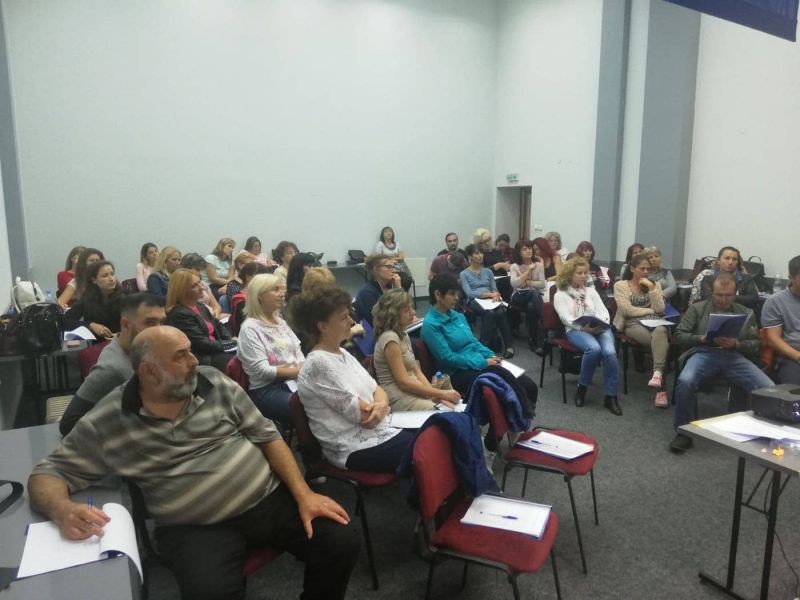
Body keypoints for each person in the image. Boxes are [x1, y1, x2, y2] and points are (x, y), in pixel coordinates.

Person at [28, 326, 358, 600]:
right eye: (181, 355)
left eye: (191, 351)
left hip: (267, 500)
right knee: (209, 593)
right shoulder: (111, 419)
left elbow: (268, 436)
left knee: (340, 541)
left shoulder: (213, 383)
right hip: (196, 527)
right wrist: (61, 510)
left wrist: (304, 494)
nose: (194, 361)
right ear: (149, 371)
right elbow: (48, 472)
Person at [291, 286, 416, 472]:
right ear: (322, 326)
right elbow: (366, 417)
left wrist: (381, 405)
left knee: (436, 435)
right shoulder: (318, 364)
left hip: (380, 428)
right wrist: (383, 406)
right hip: (351, 446)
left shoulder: (342, 353)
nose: (351, 321)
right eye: (343, 318)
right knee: (428, 446)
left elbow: (377, 389)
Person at [670, 274, 774, 452]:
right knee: (686, 380)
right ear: (712, 293)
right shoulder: (698, 309)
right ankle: (683, 432)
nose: (724, 299)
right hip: (704, 352)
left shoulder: (746, 312)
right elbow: (678, 336)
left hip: (734, 355)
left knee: (768, 386)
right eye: (719, 295)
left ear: (735, 294)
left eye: (728, 295)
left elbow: (757, 343)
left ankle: (761, 431)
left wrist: (737, 344)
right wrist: (701, 338)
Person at [421, 273, 539, 404]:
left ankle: (520, 415)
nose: (457, 297)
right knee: (506, 390)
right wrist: (483, 362)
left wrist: (491, 355)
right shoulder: (431, 325)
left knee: (529, 386)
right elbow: (448, 358)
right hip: (457, 372)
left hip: (476, 361)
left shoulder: (457, 316)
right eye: (452, 294)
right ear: (438, 295)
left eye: (457, 293)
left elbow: (473, 342)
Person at [59, 293, 166, 435]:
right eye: (150, 322)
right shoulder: (113, 369)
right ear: (125, 324)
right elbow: (69, 424)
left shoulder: (140, 350)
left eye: (162, 322)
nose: (159, 330)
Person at [372, 289, 461, 411]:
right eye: (407, 310)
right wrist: (440, 394)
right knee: (445, 413)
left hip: (411, 391)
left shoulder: (403, 334)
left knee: (451, 408)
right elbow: (403, 383)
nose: (413, 313)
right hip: (398, 397)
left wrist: (433, 395)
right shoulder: (390, 339)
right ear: (393, 315)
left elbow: (417, 372)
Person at [554, 257, 621, 415]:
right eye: (579, 273)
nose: (584, 276)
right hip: (576, 329)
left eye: (585, 273)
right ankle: (582, 388)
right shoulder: (560, 294)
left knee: (610, 353)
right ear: (569, 274)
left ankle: (611, 396)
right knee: (593, 349)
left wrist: (601, 324)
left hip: (598, 327)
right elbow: (564, 317)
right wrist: (582, 328)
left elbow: (603, 311)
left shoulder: (591, 291)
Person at [237, 274, 303, 429]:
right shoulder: (250, 328)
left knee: (326, 400)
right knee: (310, 408)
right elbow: (263, 371)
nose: (282, 294)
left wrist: (302, 368)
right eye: (276, 289)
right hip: (268, 389)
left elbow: (298, 351)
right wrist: (300, 371)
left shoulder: (280, 322)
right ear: (260, 295)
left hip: (295, 380)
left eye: (282, 289)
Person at [612, 254, 670, 407]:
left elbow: (660, 309)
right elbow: (627, 310)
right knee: (660, 346)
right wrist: (649, 310)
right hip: (632, 324)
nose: (646, 272)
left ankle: (657, 373)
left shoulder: (655, 285)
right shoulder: (621, 285)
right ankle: (661, 390)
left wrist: (651, 288)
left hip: (655, 322)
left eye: (648, 269)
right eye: (642, 268)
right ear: (632, 269)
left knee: (661, 331)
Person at [165, 268, 232, 371]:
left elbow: (218, 325)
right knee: (240, 360)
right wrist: (230, 344)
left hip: (216, 348)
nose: (201, 287)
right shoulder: (179, 314)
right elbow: (201, 345)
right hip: (202, 356)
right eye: (194, 286)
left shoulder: (199, 306)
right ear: (182, 290)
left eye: (199, 282)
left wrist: (230, 341)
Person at [460, 243, 515, 358]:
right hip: (474, 300)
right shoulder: (464, 274)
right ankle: (483, 346)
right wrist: (488, 294)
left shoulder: (488, 272)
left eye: (481, 253)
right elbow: (469, 293)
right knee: (489, 313)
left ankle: (509, 346)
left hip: (490, 300)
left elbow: (494, 289)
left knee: (501, 312)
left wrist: (496, 294)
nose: (480, 255)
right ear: (470, 257)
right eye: (476, 253)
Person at [762, 255, 800, 384]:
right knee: (793, 390)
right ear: (791, 278)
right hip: (792, 356)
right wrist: (798, 357)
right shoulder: (775, 301)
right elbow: (773, 339)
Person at [63, 260, 125, 339]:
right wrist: (90, 325)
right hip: (95, 341)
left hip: (120, 341)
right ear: (94, 280)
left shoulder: (125, 297)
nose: (111, 279)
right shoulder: (87, 297)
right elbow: (66, 320)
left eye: (112, 274)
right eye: (105, 276)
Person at [510, 239, 545, 352]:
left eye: (529, 248)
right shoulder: (514, 266)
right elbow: (514, 283)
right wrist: (527, 271)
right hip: (518, 296)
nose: (528, 251)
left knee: (531, 307)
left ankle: (532, 339)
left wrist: (528, 283)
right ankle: (545, 323)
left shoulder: (539, 265)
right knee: (534, 293)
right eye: (524, 249)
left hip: (533, 297)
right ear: (519, 252)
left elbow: (542, 284)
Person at [354, 253, 401, 327]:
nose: (394, 270)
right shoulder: (367, 293)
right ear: (376, 269)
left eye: (394, 267)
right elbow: (378, 322)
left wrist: (399, 288)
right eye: (389, 267)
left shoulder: (390, 287)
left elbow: (405, 311)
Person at [230, 261, 271, 335]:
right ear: (248, 277)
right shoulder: (241, 300)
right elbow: (244, 328)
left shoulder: (263, 295)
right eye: (261, 277)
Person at [180, 253, 224, 319]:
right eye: (197, 270)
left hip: (212, 317)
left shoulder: (203, 284)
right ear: (186, 268)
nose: (200, 273)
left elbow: (216, 306)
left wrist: (215, 316)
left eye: (200, 270)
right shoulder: (181, 287)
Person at [473, 228, 511, 300]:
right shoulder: (478, 254)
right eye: (484, 242)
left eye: (489, 240)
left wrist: (506, 265)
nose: (487, 243)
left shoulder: (497, 251)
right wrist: (498, 265)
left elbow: (503, 265)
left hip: (503, 280)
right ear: (479, 243)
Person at [375, 226, 412, 291]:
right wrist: (393, 259)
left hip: (399, 268)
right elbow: (378, 258)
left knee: (408, 280)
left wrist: (388, 258)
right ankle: (395, 295)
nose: (388, 233)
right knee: (395, 282)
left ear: (392, 234)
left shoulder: (397, 244)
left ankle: (403, 295)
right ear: (382, 234)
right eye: (386, 232)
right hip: (387, 269)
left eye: (390, 231)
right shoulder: (380, 244)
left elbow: (402, 257)